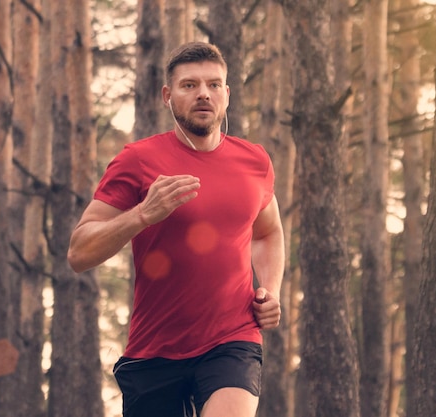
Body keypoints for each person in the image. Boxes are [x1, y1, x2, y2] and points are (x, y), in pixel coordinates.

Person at [67, 41, 285, 417]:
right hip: (154, 350)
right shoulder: (138, 160)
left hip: (232, 339)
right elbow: (78, 253)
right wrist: (141, 215)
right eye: (189, 85)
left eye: (214, 85)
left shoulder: (254, 160)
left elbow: (268, 233)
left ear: (227, 95)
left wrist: (270, 290)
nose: (203, 93)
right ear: (168, 95)